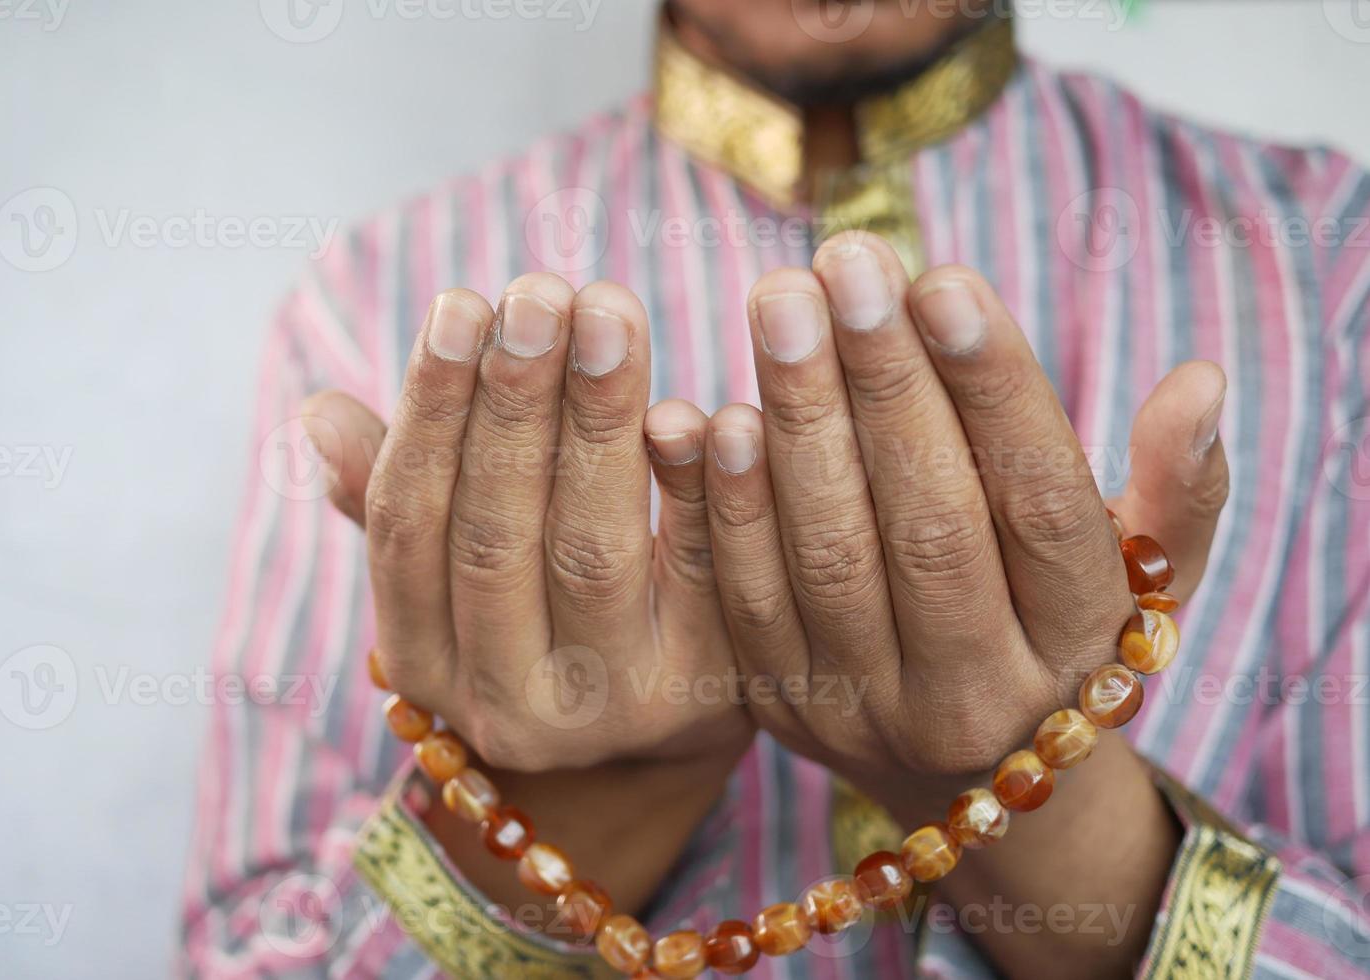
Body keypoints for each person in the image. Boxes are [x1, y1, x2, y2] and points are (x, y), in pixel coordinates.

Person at [180, 2, 1370, 976]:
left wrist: (1022, 783)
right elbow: (250, 954)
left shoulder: (1323, 262)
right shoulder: (390, 295)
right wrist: (586, 779)